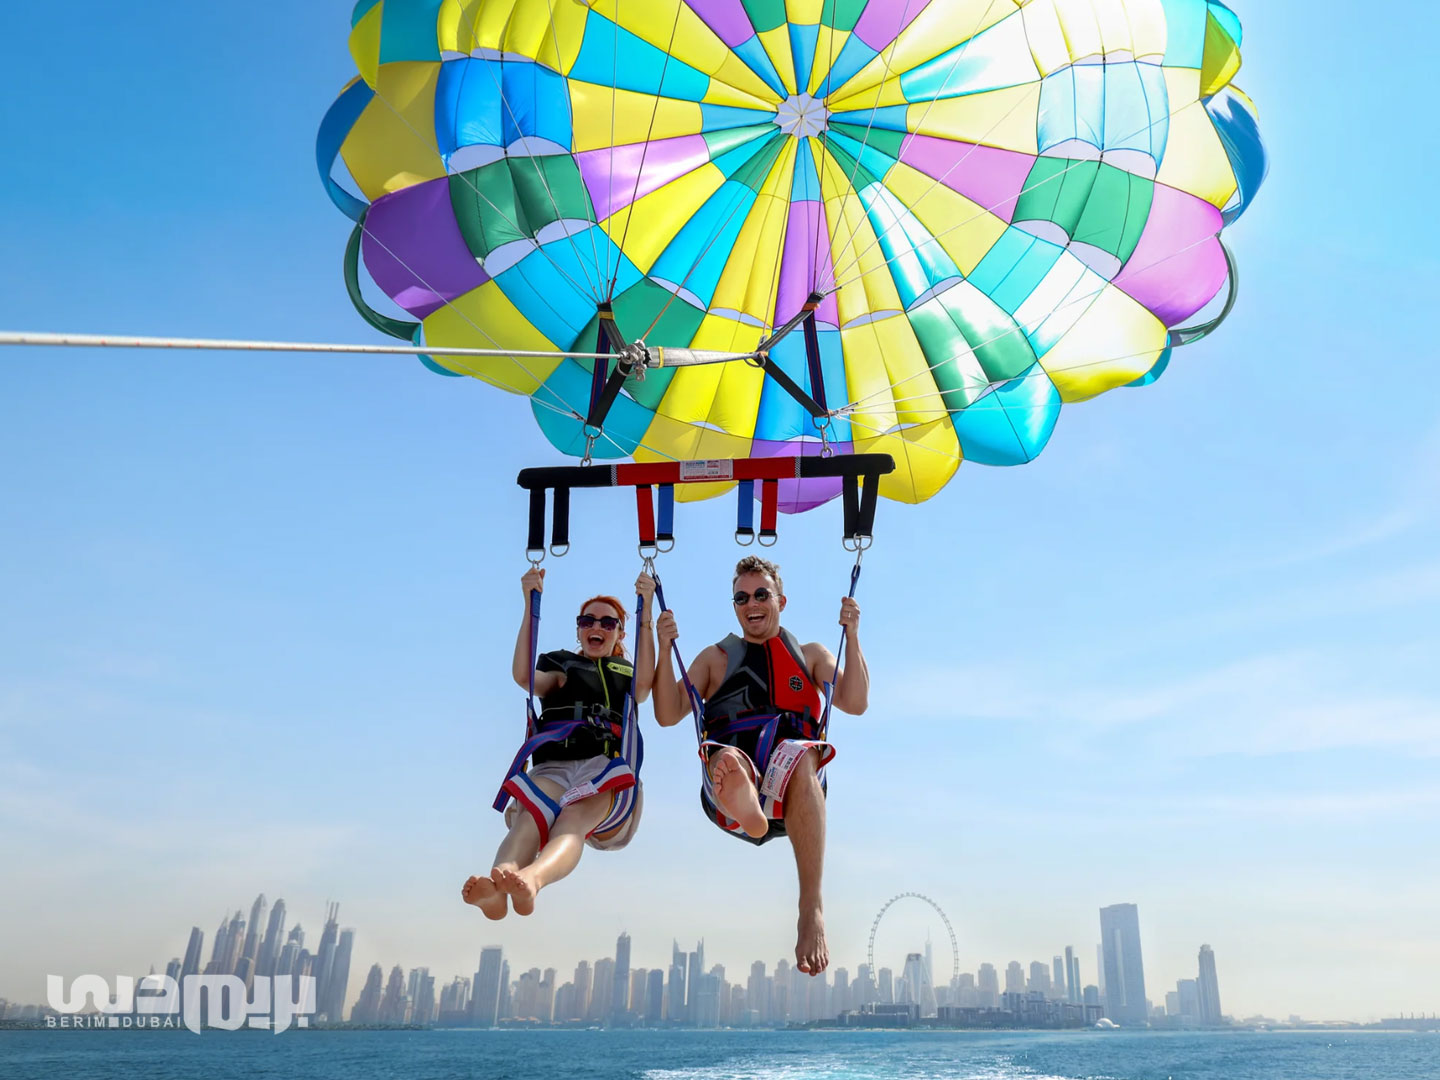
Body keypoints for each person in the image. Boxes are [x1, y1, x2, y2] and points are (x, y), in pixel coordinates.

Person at [652, 555, 867, 975]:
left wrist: (853, 635)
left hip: (792, 791)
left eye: (761, 594)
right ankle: (745, 800)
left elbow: (855, 702)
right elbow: (667, 712)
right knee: (729, 760)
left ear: (780, 601)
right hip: (729, 779)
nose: (751, 602)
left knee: (802, 753)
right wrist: (663, 647)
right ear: (734, 605)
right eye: (741, 596)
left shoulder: (809, 656)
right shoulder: (715, 658)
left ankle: (811, 908)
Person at [462, 567, 655, 919]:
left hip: (602, 769)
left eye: (607, 623)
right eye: (588, 621)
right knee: (529, 820)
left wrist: (647, 611)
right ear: (579, 629)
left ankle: (531, 880)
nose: (596, 627)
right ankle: (497, 887)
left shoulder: (627, 673)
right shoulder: (560, 665)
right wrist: (528, 604)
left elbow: (644, 688)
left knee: (572, 823)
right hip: (552, 766)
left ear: (620, 633)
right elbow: (524, 677)